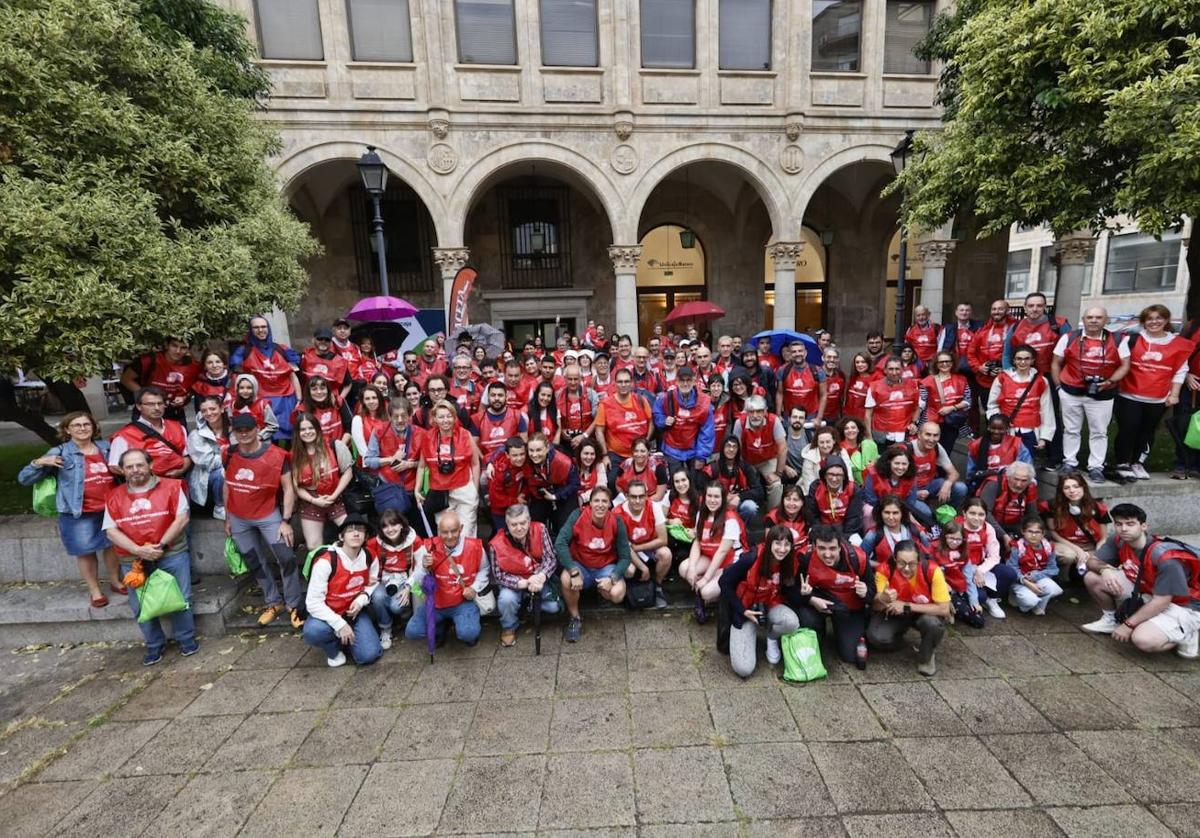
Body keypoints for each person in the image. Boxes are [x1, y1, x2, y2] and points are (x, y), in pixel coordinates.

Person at [19, 412, 124, 608]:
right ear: (67, 429)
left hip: (110, 509)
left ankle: (116, 581)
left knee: (113, 547)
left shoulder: (106, 448)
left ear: (93, 427)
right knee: (85, 551)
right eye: (77, 425)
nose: (83, 428)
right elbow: (24, 479)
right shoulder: (59, 452)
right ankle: (94, 590)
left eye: (86, 424)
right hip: (78, 512)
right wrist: (39, 463)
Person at [103, 449, 196, 665]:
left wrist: (160, 546)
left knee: (182, 598)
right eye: (129, 467)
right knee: (140, 606)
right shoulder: (114, 496)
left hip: (171, 552)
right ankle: (154, 645)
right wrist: (138, 550)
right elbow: (111, 531)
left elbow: (181, 519)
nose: (135, 470)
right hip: (133, 559)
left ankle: (186, 639)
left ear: (150, 465)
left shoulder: (172, 487)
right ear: (123, 470)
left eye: (139, 465)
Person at [1078, 503, 1200, 658]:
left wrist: (1129, 625)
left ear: (1143, 526)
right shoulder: (1119, 541)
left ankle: (1187, 633)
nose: (1124, 529)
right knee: (1092, 577)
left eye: (1130, 524)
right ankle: (1111, 620)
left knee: (1142, 639)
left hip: (1185, 604)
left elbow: (1161, 601)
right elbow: (1091, 562)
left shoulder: (1164, 558)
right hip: (1149, 590)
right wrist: (1105, 569)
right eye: (1118, 524)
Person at [224, 413, 304, 628]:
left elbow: (289, 489)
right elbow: (227, 484)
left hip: (268, 515)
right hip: (238, 516)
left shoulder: (278, 455)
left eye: (247, 430)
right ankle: (273, 602)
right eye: (238, 431)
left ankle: (293, 605)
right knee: (254, 560)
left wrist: (286, 520)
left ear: (257, 428)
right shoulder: (229, 452)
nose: (243, 434)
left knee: (286, 557)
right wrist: (227, 516)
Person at [1113, 305, 1192, 480]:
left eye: (1158, 318)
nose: (1154, 322)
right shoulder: (1132, 339)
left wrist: (1174, 394)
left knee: (1147, 431)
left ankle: (1138, 463)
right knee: (1128, 429)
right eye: (1149, 318)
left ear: (1166, 320)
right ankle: (1122, 462)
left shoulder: (1178, 344)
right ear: (1143, 322)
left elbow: (1180, 371)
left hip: (1158, 397)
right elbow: (1120, 363)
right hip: (1129, 394)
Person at [1051, 306, 1130, 483]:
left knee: (1099, 432)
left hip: (1102, 393)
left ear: (1106, 320)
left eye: (1098, 317)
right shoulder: (1069, 337)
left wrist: (1110, 381)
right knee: (1071, 429)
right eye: (1090, 317)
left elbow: (1124, 365)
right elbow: (1056, 362)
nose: (1094, 320)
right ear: (1084, 319)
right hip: (1071, 391)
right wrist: (1059, 388)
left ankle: (1096, 467)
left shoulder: (1117, 340)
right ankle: (1069, 462)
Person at [719, 525, 802, 676]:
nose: (782, 549)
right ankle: (746, 634)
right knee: (743, 669)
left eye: (786, 544)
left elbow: (791, 592)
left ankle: (771, 636)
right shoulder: (752, 558)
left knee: (791, 623)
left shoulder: (790, 561)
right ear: (769, 543)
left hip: (772, 604)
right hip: (746, 609)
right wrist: (742, 611)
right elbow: (724, 582)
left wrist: (803, 593)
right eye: (778, 543)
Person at [302, 515, 382, 667]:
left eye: (360, 530)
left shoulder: (370, 556)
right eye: (350, 530)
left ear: (366, 536)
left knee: (369, 655)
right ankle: (333, 649)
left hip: (355, 613)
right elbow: (312, 603)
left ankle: (351, 639)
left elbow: (373, 582)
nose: (356, 533)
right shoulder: (326, 562)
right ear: (341, 536)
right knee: (313, 630)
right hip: (328, 615)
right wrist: (339, 624)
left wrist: (362, 599)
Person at [555, 486, 631, 642]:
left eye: (604, 501)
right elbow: (560, 543)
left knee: (617, 594)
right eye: (596, 500)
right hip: (580, 564)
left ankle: (602, 590)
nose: (600, 505)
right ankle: (575, 618)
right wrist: (573, 571)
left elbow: (625, 557)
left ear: (610, 504)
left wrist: (613, 578)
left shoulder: (616, 521)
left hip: (605, 566)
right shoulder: (578, 515)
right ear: (590, 503)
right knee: (565, 579)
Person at [790, 524, 873, 664]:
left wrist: (865, 592)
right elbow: (791, 591)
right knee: (806, 617)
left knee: (850, 657)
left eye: (832, 548)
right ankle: (818, 634)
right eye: (822, 548)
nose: (827, 554)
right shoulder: (805, 558)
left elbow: (872, 590)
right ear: (814, 546)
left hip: (849, 606)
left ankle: (856, 631)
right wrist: (809, 598)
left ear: (840, 547)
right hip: (819, 601)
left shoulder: (858, 558)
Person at [406, 510, 488, 647]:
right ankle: (440, 626)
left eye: (454, 531)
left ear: (461, 528)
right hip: (436, 603)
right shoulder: (428, 547)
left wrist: (474, 588)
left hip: (462, 601)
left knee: (468, 634)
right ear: (438, 530)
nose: (449, 536)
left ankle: (465, 622)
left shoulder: (475, 546)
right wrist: (424, 567)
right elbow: (416, 580)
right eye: (444, 532)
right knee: (412, 632)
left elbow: (485, 569)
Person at [869, 540, 951, 676]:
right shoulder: (884, 570)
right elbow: (876, 607)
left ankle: (927, 655)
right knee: (876, 638)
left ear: (919, 560)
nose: (906, 568)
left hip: (923, 612)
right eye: (901, 563)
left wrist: (907, 606)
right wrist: (883, 598)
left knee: (932, 624)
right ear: (895, 559)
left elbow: (944, 609)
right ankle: (901, 641)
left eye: (912, 564)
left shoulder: (932, 570)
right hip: (895, 613)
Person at [489, 504, 561, 646]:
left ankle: (526, 607)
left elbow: (550, 558)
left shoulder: (540, 529)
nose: (519, 528)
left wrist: (541, 576)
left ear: (529, 520)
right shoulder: (495, 544)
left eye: (523, 523)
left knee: (554, 606)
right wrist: (522, 583)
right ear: (507, 524)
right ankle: (509, 627)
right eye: (514, 524)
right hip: (515, 582)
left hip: (537, 578)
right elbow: (499, 575)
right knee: (506, 599)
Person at [229, 315, 302, 443]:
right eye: (256, 327)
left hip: (286, 400)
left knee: (292, 439)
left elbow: (293, 375)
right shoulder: (244, 351)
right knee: (267, 439)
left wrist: (299, 399)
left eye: (263, 326)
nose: (260, 330)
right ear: (251, 330)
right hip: (262, 401)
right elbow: (238, 379)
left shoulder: (282, 349)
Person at [414, 401, 481, 538]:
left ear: (455, 417)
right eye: (441, 417)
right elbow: (421, 466)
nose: (446, 420)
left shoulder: (465, 434)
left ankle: (467, 559)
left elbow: (475, 464)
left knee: (466, 532)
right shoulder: (427, 437)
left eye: (449, 416)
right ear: (434, 419)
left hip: (463, 489)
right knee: (446, 534)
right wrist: (417, 489)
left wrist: (475, 489)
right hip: (440, 493)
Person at [681, 482, 746, 621]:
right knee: (684, 569)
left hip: (729, 562)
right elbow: (697, 542)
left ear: (723, 499)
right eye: (709, 496)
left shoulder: (730, 519)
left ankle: (724, 592)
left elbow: (722, 552)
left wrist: (705, 578)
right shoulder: (702, 514)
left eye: (716, 496)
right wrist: (692, 568)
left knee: (707, 592)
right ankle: (706, 587)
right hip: (710, 556)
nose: (712, 500)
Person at [291, 413, 353, 549]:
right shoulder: (294, 455)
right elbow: (296, 486)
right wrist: (314, 500)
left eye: (311, 428)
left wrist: (333, 496)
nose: (307, 432)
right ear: (298, 433)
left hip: (335, 496)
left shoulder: (334, 446)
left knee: (353, 536)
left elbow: (348, 473)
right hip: (310, 500)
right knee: (313, 547)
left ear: (317, 429)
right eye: (303, 429)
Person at [367, 509, 425, 649]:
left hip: (407, 579)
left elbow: (422, 567)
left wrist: (408, 587)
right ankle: (385, 629)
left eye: (393, 524)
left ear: (401, 525)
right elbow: (360, 555)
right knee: (378, 597)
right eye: (385, 526)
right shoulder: (375, 542)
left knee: (396, 606)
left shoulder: (414, 540)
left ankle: (406, 615)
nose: (390, 529)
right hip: (383, 580)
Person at [108, 387, 191, 480]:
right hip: (144, 487)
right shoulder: (124, 435)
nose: (156, 408)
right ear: (139, 406)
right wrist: (145, 478)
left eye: (160, 403)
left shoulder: (178, 427)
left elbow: (187, 456)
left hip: (178, 482)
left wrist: (181, 470)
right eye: (150, 404)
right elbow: (114, 466)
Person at [988, 344, 1054, 459]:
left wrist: (1044, 437)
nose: (1022, 362)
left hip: (1030, 431)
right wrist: (998, 423)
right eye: (1019, 359)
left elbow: (1046, 410)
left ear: (1032, 360)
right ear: (1014, 360)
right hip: (1008, 431)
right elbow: (992, 405)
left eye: (1026, 359)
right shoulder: (1002, 379)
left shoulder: (1041, 381)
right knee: (1005, 464)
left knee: (1026, 465)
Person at [614, 479, 672, 608]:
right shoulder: (618, 513)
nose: (638, 500)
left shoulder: (654, 507)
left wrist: (639, 547)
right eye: (633, 497)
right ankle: (630, 591)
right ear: (627, 496)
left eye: (641, 496)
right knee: (629, 570)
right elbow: (625, 547)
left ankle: (657, 586)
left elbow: (663, 539)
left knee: (666, 554)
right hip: (628, 551)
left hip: (648, 546)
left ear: (646, 496)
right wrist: (643, 567)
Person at [1045, 472, 1110, 577]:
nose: (1072, 491)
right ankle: (1062, 579)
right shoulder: (1052, 506)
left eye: (1076, 486)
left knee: (1097, 560)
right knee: (1069, 555)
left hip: (1090, 545)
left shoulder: (1098, 507)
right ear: (1061, 490)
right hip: (1065, 544)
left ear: (1083, 487)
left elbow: (1103, 537)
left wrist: (1098, 551)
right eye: (1066, 488)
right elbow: (1053, 532)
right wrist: (1078, 550)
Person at [121, 338, 200, 422]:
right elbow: (126, 379)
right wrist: (146, 396)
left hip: (174, 413)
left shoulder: (194, 366)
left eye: (183, 348)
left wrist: (184, 397)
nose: (178, 351)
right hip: (147, 412)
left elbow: (195, 387)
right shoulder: (149, 360)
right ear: (166, 345)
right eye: (174, 346)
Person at [653, 366, 715, 474]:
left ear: (694, 381)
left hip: (694, 450)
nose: (685, 384)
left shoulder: (704, 402)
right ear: (676, 381)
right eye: (682, 380)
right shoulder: (666, 397)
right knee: (676, 482)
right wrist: (663, 420)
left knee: (694, 484)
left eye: (688, 380)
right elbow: (656, 413)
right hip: (672, 449)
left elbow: (707, 432)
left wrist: (701, 456)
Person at [960, 497, 1011, 619]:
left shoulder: (988, 528)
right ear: (964, 513)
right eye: (972, 513)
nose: (976, 518)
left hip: (981, 566)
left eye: (981, 514)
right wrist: (971, 571)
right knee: (980, 597)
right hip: (962, 570)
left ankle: (992, 599)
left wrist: (980, 570)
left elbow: (994, 556)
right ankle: (981, 597)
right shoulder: (956, 527)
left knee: (1009, 573)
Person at [733, 395, 787, 511]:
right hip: (747, 460)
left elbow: (782, 447)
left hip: (768, 459)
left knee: (776, 484)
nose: (755, 415)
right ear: (747, 412)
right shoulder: (739, 423)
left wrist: (778, 473)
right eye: (751, 412)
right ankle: (748, 513)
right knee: (743, 484)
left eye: (759, 411)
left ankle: (772, 515)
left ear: (765, 411)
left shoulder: (774, 420)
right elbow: (736, 449)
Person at [594, 368, 654, 471]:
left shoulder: (641, 400)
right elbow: (599, 431)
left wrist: (646, 443)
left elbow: (651, 422)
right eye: (620, 382)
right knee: (612, 481)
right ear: (615, 383)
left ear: (631, 383)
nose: (623, 384)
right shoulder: (605, 404)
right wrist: (604, 455)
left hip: (639, 453)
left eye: (626, 381)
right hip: (616, 454)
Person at [967, 300, 1015, 426]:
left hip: (1009, 380)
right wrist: (979, 367)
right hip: (985, 381)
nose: (996, 312)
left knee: (1009, 410)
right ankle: (992, 437)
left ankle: (1009, 439)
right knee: (990, 410)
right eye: (994, 309)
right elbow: (971, 353)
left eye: (1000, 309)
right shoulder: (982, 330)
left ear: (1007, 310)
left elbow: (1023, 354)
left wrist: (1006, 368)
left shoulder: (1015, 329)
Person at [930, 521, 985, 628]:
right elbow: (932, 574)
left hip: (958, 587)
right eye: (951, 538)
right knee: (977, 621)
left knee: (981, 597)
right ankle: (946, 609)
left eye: (958, 539)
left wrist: (974, 602)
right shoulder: (935, 550)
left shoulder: (963, 552)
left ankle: (956, 607)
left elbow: (968, 578)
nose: (955, 542)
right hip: (942, 589)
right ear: (944, 537)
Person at [909, 421, 968, 517]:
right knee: (926, 513)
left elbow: (954, 473)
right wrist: (914, 493)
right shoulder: (907, 449)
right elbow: (894, 484)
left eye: (935, 435)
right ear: (919, 435)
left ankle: (944, 515)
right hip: (909, 490)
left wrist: (947, 484)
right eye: (928, 434)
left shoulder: (937, 447)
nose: (931, 439)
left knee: (961, 488)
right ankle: (929, 520)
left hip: (928, 485)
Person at [1006, 516, 1063, 615]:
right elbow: (1011, 568)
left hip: (1037, 578)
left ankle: (1039, 605)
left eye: (1037, 532)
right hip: (1020, 580)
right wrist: (1026, 581)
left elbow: (1053, 569)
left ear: (1043, 533)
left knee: (1055, 589)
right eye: (1030, 531)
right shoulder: (1018, 547)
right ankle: (1017, 598)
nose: (1033, 535)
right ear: (1023, 531)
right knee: (1029, 601)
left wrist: (1036, 576)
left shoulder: (1048, 547)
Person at [186, 395, 229, 519]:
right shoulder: (196, 435)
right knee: (222, 472)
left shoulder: (233, 429)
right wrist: (232, 455)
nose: (209, 413)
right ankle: (219, 506)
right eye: (204, 411)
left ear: (221, 409)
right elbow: (209, 463)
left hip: (235, 471)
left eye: (212, 409)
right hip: (207, 479)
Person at [526, 432, 579, 531]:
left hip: (563, 491)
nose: (534, 455)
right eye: (531, 450)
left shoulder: (563, 462)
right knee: (535, 523)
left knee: (564, 525)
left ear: (547, 448)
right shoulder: (526, 458)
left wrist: (556, 496)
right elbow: (507, 447)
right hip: (540, 491)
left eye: (538, 450)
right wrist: (490, 462)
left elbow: (575, 483)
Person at [921, 350, 972, 453]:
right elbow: (921, 403)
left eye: (947, 361)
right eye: (941, 362)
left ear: (952, 363)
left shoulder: (962, 380)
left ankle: (942, 469)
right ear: (936, 364)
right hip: (932, 421)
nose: (945, 364)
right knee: (930, 451)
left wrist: (952, 408)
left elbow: (968, 401)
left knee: (946, 451)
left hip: (952, 422)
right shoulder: (928, 381)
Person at [705, 435, 765, 523]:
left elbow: (759, 491)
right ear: (722, 448)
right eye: (728, 446)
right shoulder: (712, 468)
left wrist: (739, 497)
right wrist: (723, 498)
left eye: (734, 447)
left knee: (750, 507)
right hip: (717, 503)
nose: (731, 449)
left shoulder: (745, 467)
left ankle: (741, 528)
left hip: (738, 503)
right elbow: (703, 492)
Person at [978, 461, 1039, 546]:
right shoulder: (994, 484)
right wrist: (1003, 535)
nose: (1019, 484)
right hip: (992, 525)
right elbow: (985, 513)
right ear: (1008, 477)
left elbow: (1033, 515)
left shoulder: (1030, 487)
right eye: (1016, 479)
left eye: (1024, 481)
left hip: (1016, 525)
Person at [864, 356, 921, 447]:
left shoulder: (913, 385)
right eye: (891, 369)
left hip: (904, 435)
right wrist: (869, 436)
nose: (894, 372)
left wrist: (914, 423)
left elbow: (917, 406)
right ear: (885, 370)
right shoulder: (874, 387)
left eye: (897, 369)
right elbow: (868, 414)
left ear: (902, 369)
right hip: (882, 435)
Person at [861, 496, 931, 568]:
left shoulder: (917, 531)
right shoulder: (873, 535)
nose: (891, 517)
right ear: (880, 513)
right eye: (887, 512)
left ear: (902, 514)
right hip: (886, 576)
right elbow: (860, 559)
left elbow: (929, 557)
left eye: (895, 513)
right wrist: (883, 566)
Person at [965, 414, 1031, 490]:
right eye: (993, 428)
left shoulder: (1016, 443)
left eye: (1000, 429)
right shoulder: (976, 445)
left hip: (1011, 484)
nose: (996, 432)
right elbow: (970, 472)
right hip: (984, 484)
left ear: (1007, 428)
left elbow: (1027, 468)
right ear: (988, 427)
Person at [860, 446, 922, 525]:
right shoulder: (873, 474)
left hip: (901, 507)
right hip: (876, 507)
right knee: (868, 512)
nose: (900, 467)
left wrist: (900, 513)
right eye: (897, 463)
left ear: (909, 464)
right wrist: (890, 513)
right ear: (889, 462)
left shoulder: (911, 476)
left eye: (904, 464)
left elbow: (911, 501)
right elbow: (871, 499)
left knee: (925, 511)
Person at [803, 461, 864, 538]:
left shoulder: (853, 489)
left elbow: (853, 518)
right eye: (831, 474)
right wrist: (823, 533)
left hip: (846, 531)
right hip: (822, 530)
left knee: (856, 541)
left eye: (839, 475)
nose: (834, 479)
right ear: (824, 475)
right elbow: (813, 516)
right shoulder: (816, 487)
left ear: (844, 476)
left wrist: (841, 537)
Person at [473, 381, 528, 462]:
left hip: (511, 465)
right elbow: (474, 448)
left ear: (506, 396)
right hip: (485, 467)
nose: (496, 398)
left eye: (500, 395)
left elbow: (524, 444)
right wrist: (486, 463)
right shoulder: (477, 419)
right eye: (493, 395)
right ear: (488, 397)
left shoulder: (517, 416)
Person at [485, 436, 531, 533]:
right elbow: (495, 498)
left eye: (522, 454)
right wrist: (516, 500)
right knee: (504, 537)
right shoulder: (499, 471)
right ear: (507, 455)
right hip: (501, 512)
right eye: (515, 455)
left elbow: (529, 481)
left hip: (519, 506)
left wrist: (523, 494)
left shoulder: (526, 463)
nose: (519, 458)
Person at [292, 376, 353, 448]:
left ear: (328, 390)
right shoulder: (302, 410)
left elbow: (349, 427)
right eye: (314, 389)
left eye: (322, 388)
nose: (319, 392)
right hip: (317, 450)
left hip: (341, 447)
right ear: (309, 392)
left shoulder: (338, 402)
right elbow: (302, 437)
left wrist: (341, 446)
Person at [775, 340, 827, 422]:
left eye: (800, 351)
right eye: (794, 352)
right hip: (789, 416)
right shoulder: (783, 370)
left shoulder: (817, 371)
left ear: (805, 353)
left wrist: (819, 418)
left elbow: (823, 395)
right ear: (791, 354)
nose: (797, 354)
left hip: (811, 416)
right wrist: (778, 415)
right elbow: (779, 393)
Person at [300, 328, 352, 403]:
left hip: (331, 401)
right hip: (309, 401)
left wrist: (340, 398)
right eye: (320, 339)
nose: (323, 342)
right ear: (313, 340)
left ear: (331, 343)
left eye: (327, 340)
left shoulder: (340, 362)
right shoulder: (304, 357)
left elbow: (348, 383)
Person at [225, 374, 280, 442]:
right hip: (238, 442)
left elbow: (273, 426)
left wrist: (259, 436)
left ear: (254, 388)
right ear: (237, 389)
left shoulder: (262, 404)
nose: (245, 391)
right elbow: (231, 425)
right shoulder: (232, 405)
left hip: (259, 441)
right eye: (241, 388)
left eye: (249, 388)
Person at [556, 365, 598, 451]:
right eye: (570, 379)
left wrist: (584, 436)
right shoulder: (558, 395)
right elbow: (555, 417)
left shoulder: (591, 394)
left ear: (580, 379)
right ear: (565, 378)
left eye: (576, 379)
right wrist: (561, 431)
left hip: (587, 439)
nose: (573, 382)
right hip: (566, 440)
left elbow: (597, 419)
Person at [798, 426, 852, 492]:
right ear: (817, 443)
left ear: (834, 441)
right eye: (822, 442)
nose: (825, 446)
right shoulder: (809, 456)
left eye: (828, 442)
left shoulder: (842, 453)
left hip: (839, 492)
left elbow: (849, 477)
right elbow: (809, 484)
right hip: (815, 493)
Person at [614, 437, 667, 502]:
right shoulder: (625, 465)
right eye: (636, 451)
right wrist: (625, 499)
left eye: (642, 451)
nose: (639, 454)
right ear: (632, 452)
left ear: (648, 452)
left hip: (652, 501)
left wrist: (638, 502)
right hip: (629, 501)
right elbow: (618, 485)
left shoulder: (658, 467)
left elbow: (659, 496)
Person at [351, 384, 390, 462]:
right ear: (363, 401)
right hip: (369, 466)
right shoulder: (358, 420)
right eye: (367, 399)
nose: (371, 401)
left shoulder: (388, 417)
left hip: (388, 461)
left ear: (379, 399)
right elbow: (364, 453)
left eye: (374, 398)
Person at [763, 484, 809, 551]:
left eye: (795, 500)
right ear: (783, 500)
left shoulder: (808, 517)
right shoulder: (773, 517)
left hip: (800, 553)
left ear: (802, 502)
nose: (791, 503)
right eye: (788, 499)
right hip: (778, 552)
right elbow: (769, 543)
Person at [835, 416, 878, 486]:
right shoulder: (840, 449)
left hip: (870, 483)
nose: (850, 430)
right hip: (850, 484)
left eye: (853, 427)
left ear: (858, 430)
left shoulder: (867, 445)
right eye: (846, 428)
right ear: (842, 431)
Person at [937, 303, 981, 371]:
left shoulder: (979, 327)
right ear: (956, 312)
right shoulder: (948, 328)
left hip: (974, 365)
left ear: (971, 313)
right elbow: (940, 349)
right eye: (961, 310)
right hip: (953, 365)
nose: (964, 312)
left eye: (967, 310)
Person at [575, 437, 607, 507]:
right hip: (574, 502)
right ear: (580, 453)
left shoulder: (599, 465)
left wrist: (583, 497)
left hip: (592, 502)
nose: (589, 457)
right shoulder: (573, 465)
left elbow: (601, 488)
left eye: (592, 454)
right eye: (586, 453)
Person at [526, 382, 561, 446]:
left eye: (549, 396)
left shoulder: (555, 410)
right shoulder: (527, 411)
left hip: (550, 448)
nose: (545, 398)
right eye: (543, 394)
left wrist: (554, 448)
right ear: (537, 394)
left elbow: (558, 430)